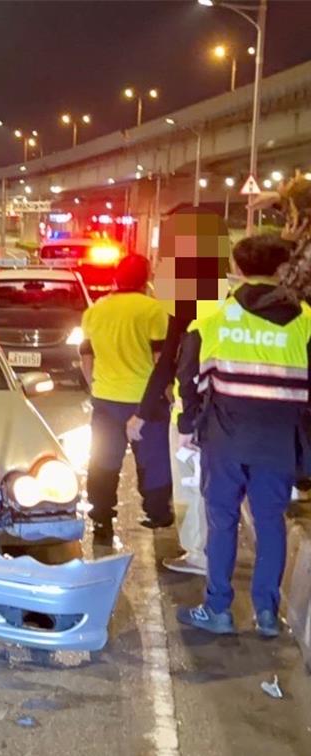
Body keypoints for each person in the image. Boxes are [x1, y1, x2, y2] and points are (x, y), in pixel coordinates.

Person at [176, 234, 311, 637]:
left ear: (236, 269)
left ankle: (218, 609)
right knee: (271, 522)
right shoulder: (305, 322)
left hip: (225, 439)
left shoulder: (212, 319)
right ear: (280, 269)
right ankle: (267, 615)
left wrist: (189, 425)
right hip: (280, 442)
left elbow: (190, 380)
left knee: (223, 520)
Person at [126, 205, 233, 575]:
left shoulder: (188, 295)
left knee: (193, 487)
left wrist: (147, 411)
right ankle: (212, 550)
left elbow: (173, 359)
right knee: (216, 488)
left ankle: (201, 555)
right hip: (228, 409)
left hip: (194, 413)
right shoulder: (226, 290)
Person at [80, 253, 172, 539]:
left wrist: (95, 387)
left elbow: (86, 356)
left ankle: (101, 516)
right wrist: (168, 394)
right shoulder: (154, 310)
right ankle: (157, 513)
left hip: (106, 399)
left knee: (104, 459)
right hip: (145, 401)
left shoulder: (95, 310)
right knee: (153, 458)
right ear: (146, 279)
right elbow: (160, 359)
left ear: (116, 277)